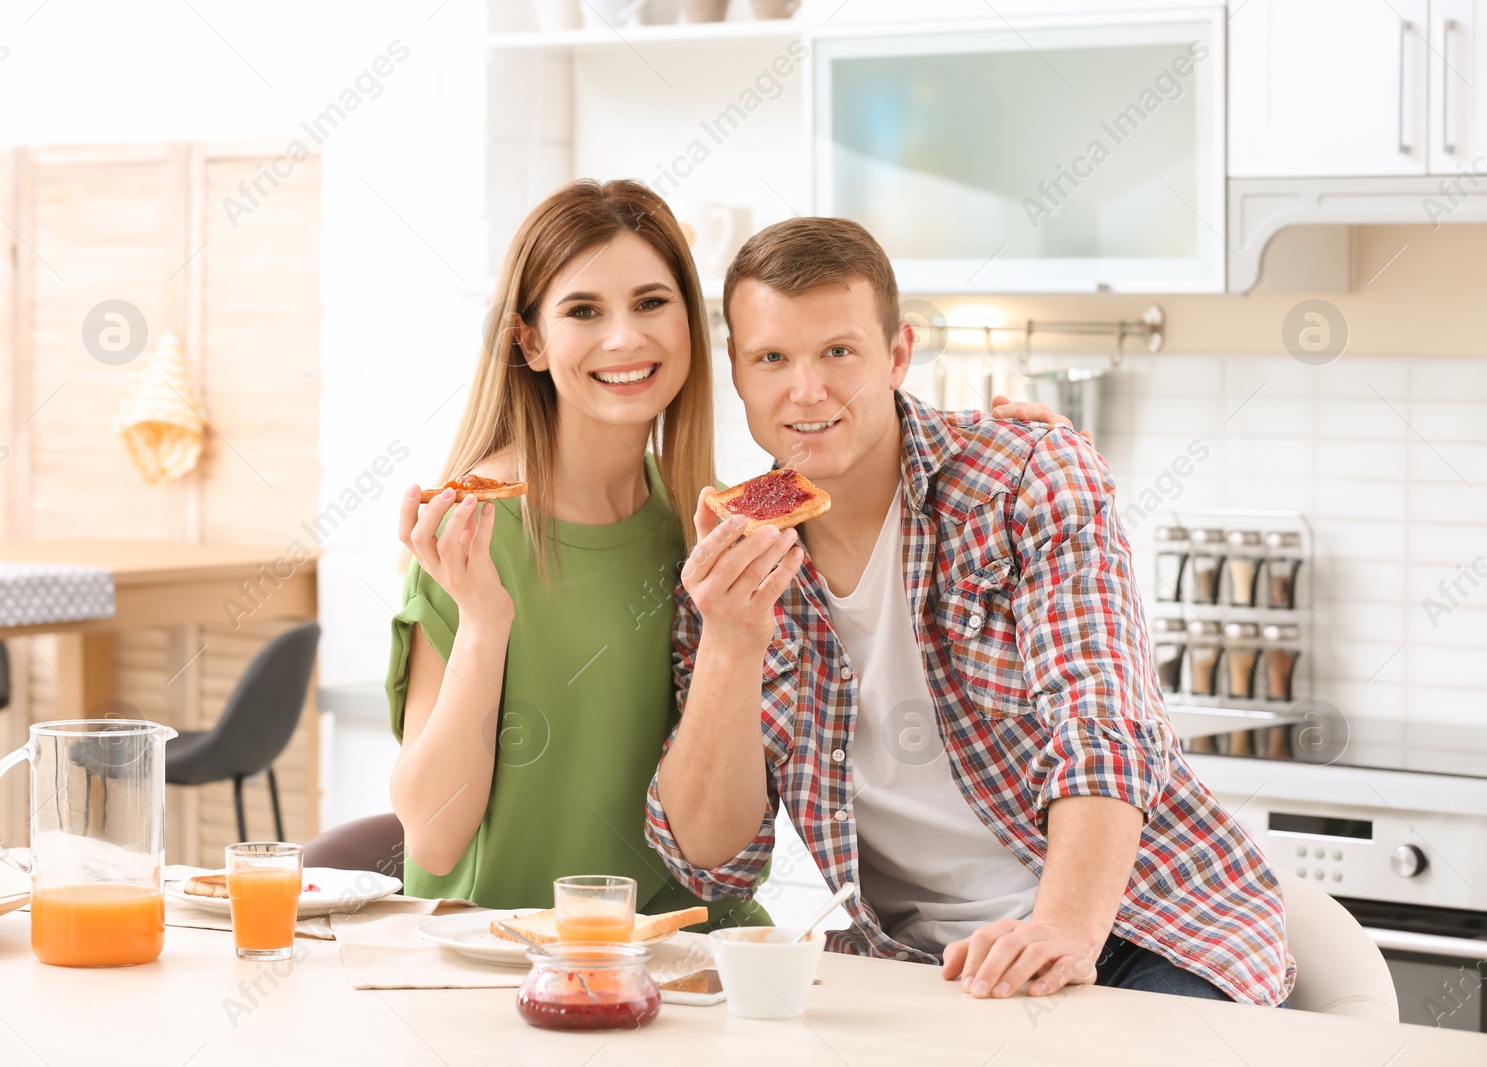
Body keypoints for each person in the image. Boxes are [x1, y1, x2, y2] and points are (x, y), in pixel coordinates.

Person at [386, 178, 1078, 921]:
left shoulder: (721, 528)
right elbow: (432, 838)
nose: (625, 338)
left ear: (693, 326)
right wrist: (486, 623)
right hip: (502, 956)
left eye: (652, 303)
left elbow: (875, 477)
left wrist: (1025, 457)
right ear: (531, 340)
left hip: (686, 955)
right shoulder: (471, 530)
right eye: (584, 310)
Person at [646, 216, 1295, 1006]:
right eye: (772, 358)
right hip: (923, 965)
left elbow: (1104, 718)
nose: (806, 390)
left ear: (898, 355)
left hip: (1138, 926)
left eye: (839, 352)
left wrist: (1060, 930)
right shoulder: (727, 564)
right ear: (740, 374)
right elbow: (715, 862)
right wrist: (731, 640)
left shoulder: (1028, 476)